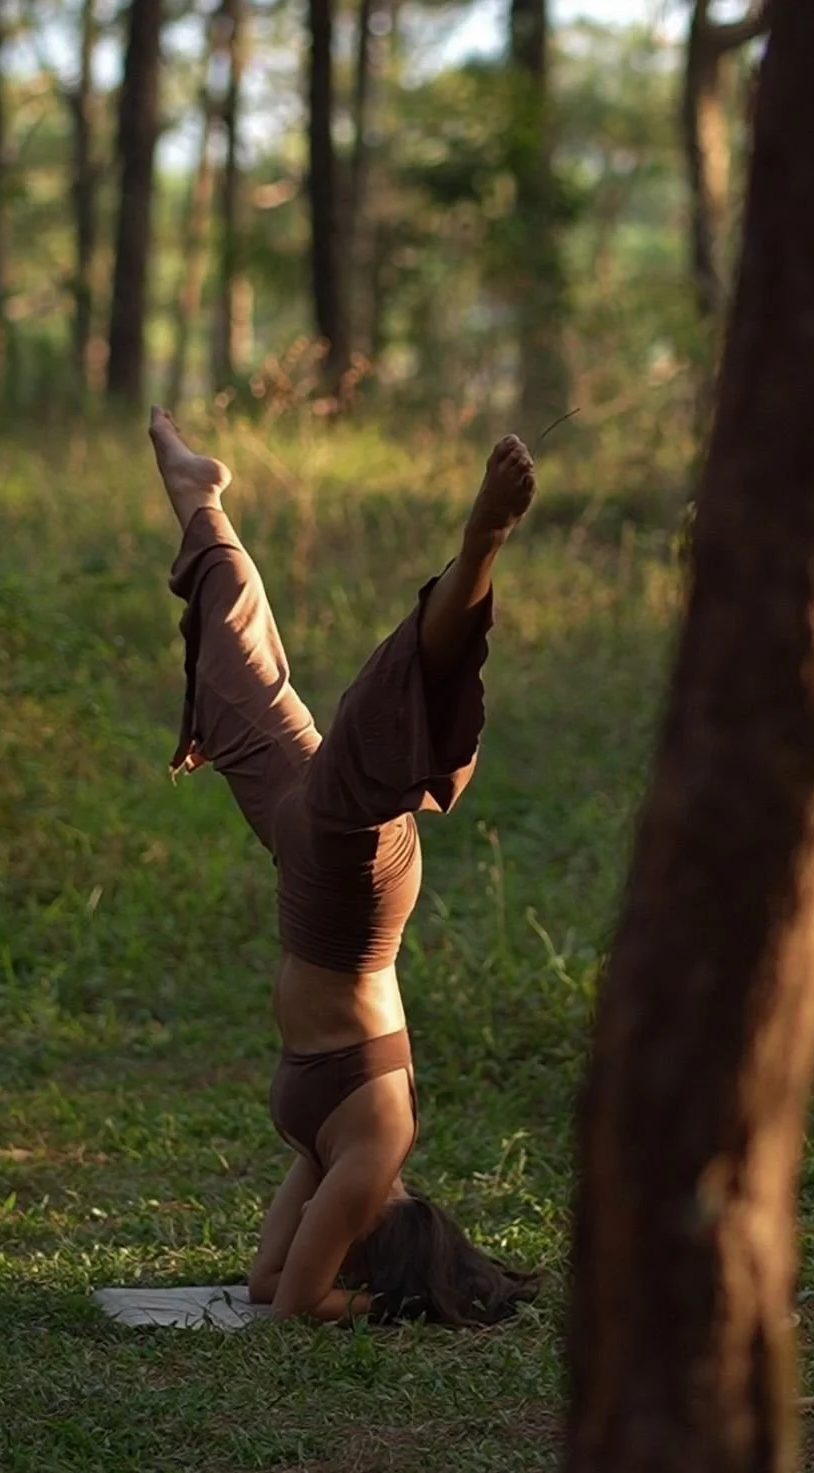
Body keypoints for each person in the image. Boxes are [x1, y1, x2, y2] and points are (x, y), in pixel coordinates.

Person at [147, 406, 539, 1326]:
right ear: (382, 1244)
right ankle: (481, 543)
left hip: (309, 877)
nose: (329, 1220)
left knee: (242, 697)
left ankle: (198, 499)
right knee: (386, 711)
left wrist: (335, 1282)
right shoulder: (374, 1151)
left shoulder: (337, 1159)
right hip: (355, 897)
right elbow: (294, 1308)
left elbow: (262, 1288)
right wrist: (377, 1310)